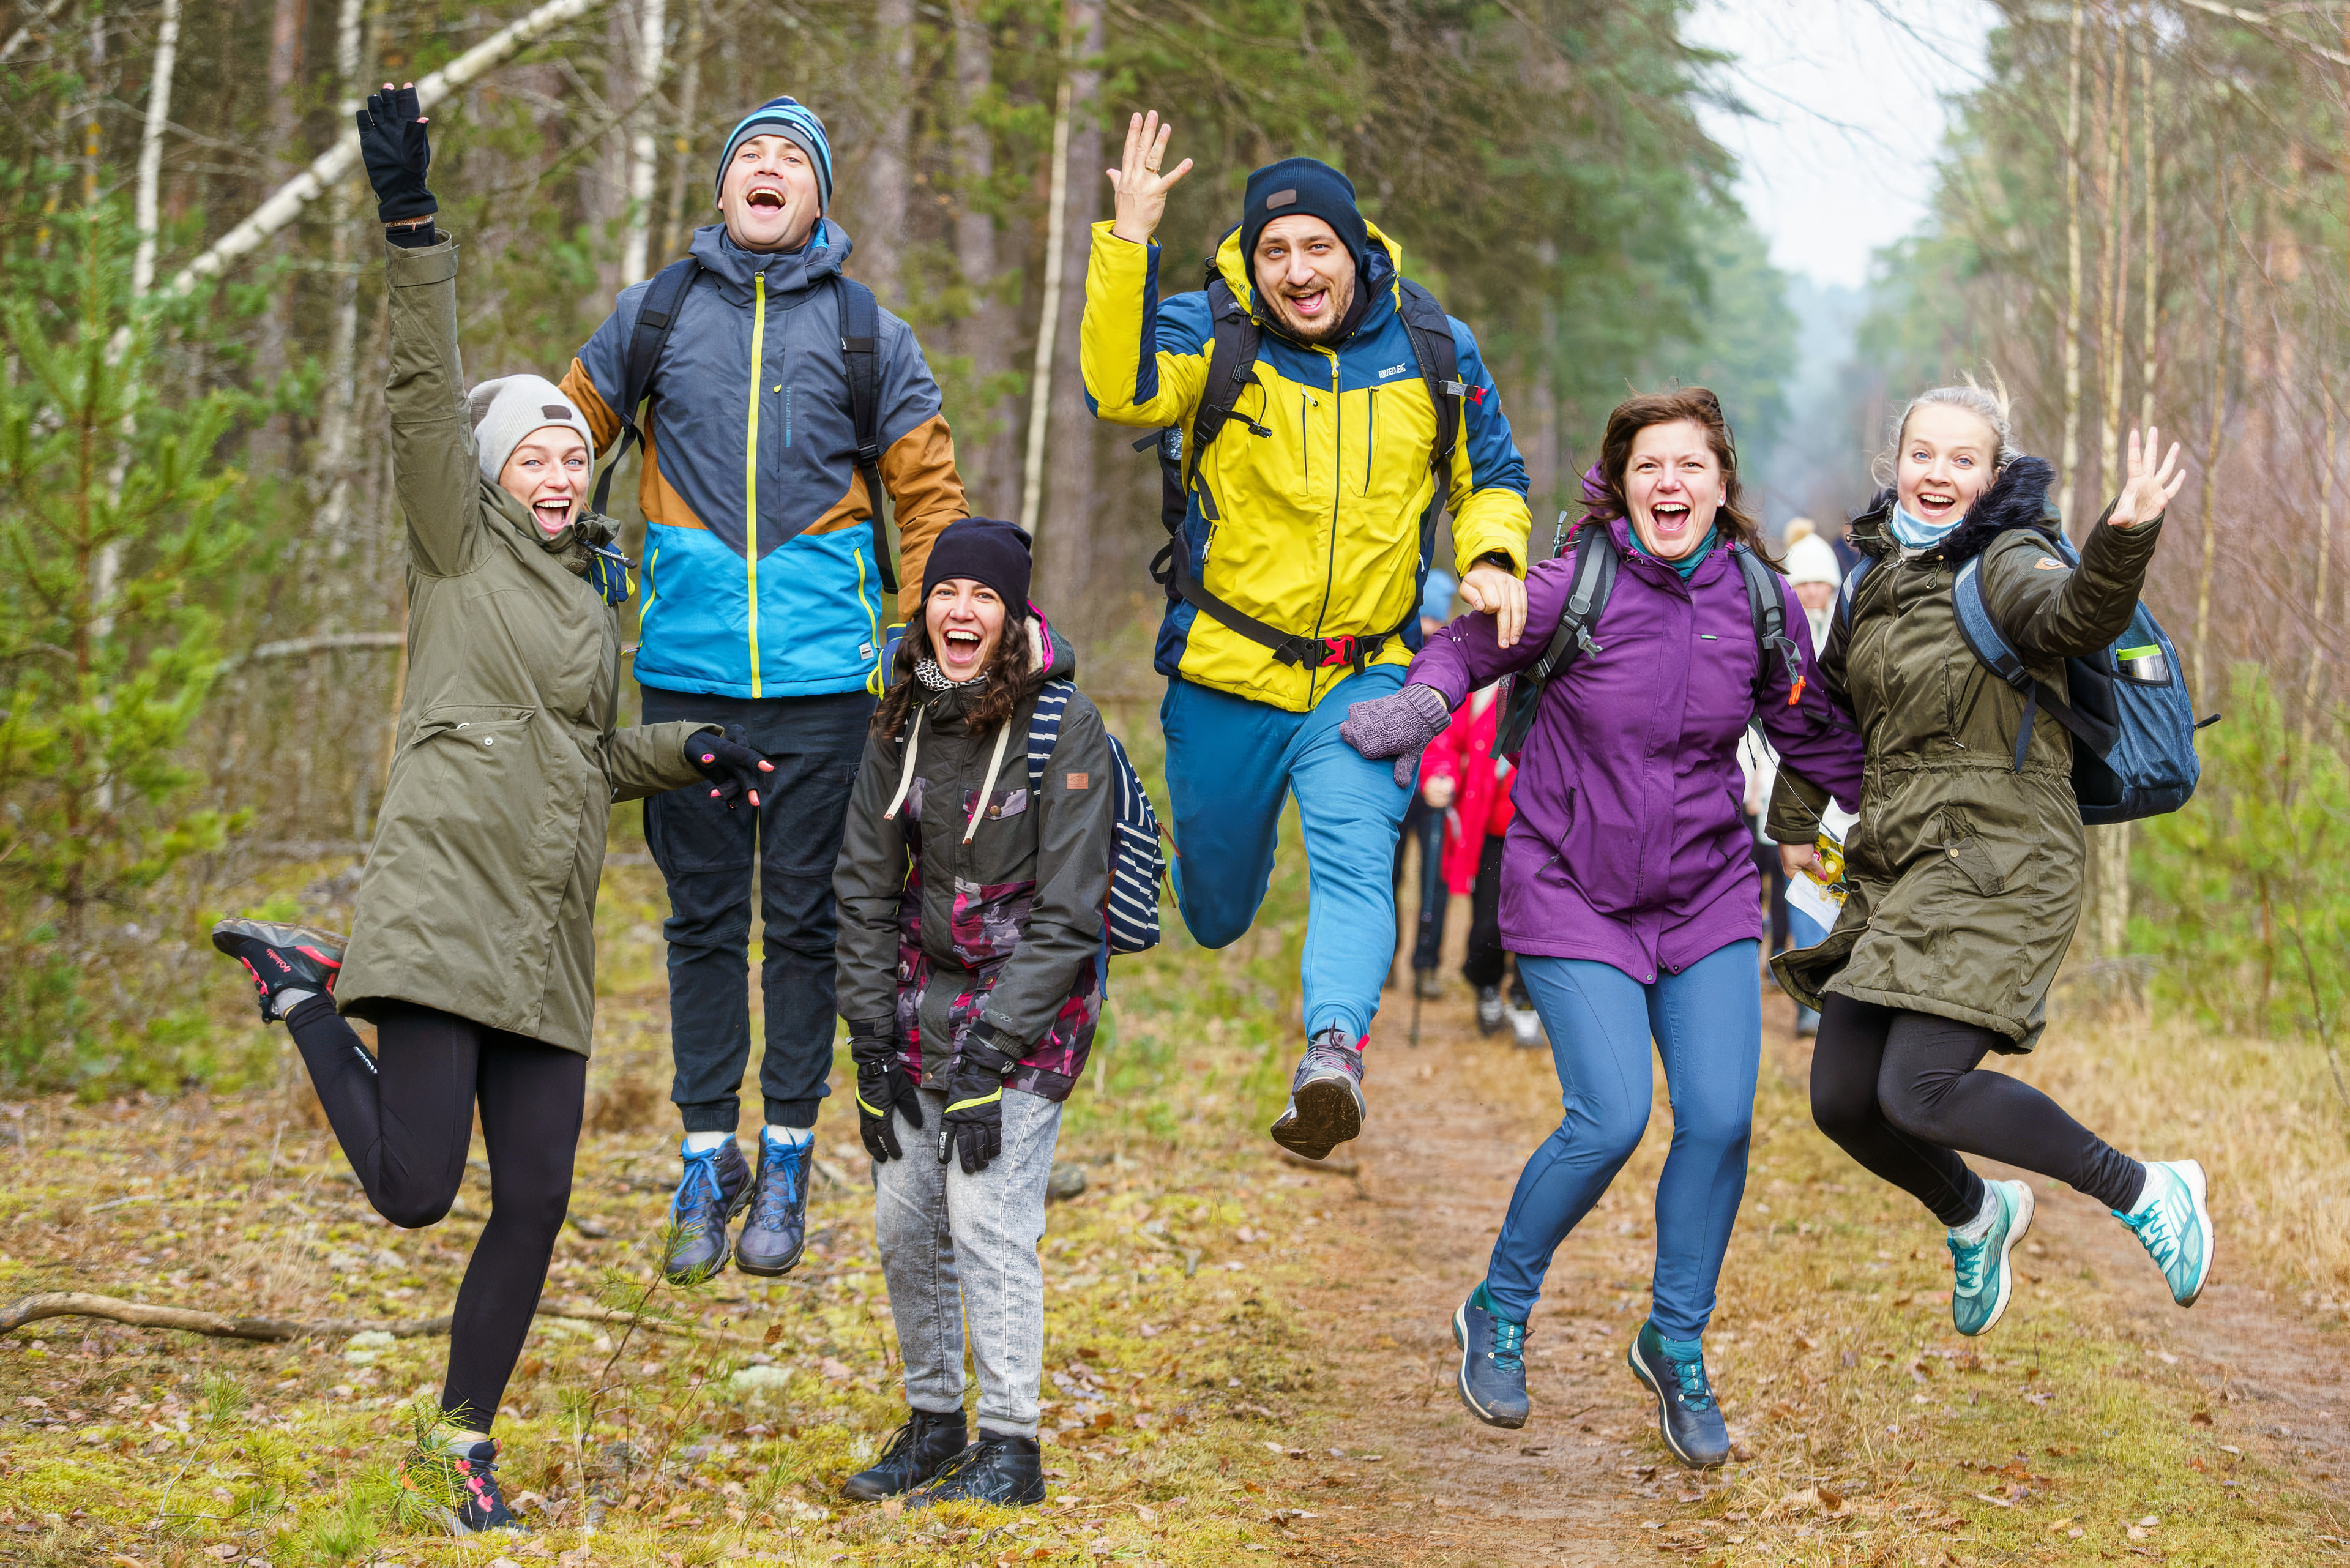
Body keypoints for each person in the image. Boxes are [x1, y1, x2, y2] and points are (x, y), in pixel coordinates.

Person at [209, 86, 771, 1535]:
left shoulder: (592, 599)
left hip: (546, 931)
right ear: (487, 470)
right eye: (534, 451)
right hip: (443, 899)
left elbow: (580, 758)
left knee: (531, 1203)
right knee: (411, 1192)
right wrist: (413, 228)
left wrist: (682, 755)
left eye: (571, 456)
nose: (558, 468)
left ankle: (464, 1438)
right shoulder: (454, 549)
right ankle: (302, 995)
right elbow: (417, 386)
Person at [1343, 388, 1865, 1466]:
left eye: (1690, 466)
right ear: (1622, 485)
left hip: (1708, 888)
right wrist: (1422, 706)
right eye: (1648, 467)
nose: (1669, 483)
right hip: (1572, 883)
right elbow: (1465, 646)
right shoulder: (1571, 583)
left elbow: (1808, 724)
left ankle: (1674, 1341)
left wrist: (1919, 799)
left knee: (1721, 1116)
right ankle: (1498, 1305)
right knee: (1612, 1115)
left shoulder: (1760, 600)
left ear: (1723, 485)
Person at [558, 96, 971, 1284]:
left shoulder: (864, 332)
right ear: (725, 188)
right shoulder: (657, 313)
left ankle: (786, 1153)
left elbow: (931, 496)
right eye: (752, 154)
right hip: (682, 680)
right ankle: (704, 1157)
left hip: (824, 689)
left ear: (820, 198)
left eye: (794, 158)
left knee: (800, 925)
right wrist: (529, 537)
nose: (771, 167)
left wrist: (930, 636)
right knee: (698, 926)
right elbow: (559, 438)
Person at [1080, 111, 1532, 1159]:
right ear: (1253, 261)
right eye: (1275, 251)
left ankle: (1333, 1051)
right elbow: (1119, 388)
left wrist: (1494, 556)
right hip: (1227, 675)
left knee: (1355, 860)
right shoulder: (1211, 331)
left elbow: (1492, 477)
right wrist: (1130, 243)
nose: (1296, 270)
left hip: (1365, 673)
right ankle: (1197, 870)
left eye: (1316, 247)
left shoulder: (1433, 346)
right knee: (1218, 910)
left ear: (1354, 248)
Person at [1774, 383, 2213, 1341]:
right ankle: (1978, 1215)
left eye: (1962, 459)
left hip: (2005, 854)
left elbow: (2073, 617)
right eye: (1923, 454)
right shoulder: (1870, 579)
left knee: (1917, 1088)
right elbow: (1827, 712)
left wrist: (2124, 533)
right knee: (1844, 1098)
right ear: (1896, 464)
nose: (1938, 474)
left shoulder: (2007, 558)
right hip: (1901, 856)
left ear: (1992, 476)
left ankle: (2146, 1190)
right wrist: (1796, 821)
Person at [829, 518, 1114, 1509]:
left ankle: (1011, 1444)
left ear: (1011, 613)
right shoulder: (901, 715)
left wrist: (994, 1053)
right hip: (920, 996)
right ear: (926, 608)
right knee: (905, 1217)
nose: (962, 610)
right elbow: (866, 886)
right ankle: (935, 1423)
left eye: (983, 596)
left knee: (987, 1214)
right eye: (947, 592)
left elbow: (1074, 911)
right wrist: (869, 1039)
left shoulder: (1062, 723)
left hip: (1033, 1003)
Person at [1745, 521, 1851, 1036]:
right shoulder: (1776, 635)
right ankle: (1812, 1005)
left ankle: (1842, 998)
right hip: (1790, 792)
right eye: (1803, 583)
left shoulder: (1847, 634)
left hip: (1844, 795)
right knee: (1806, 890)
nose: (1812, 592)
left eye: (1820, 584)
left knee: (1841, 896)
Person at [1416, 681, 1542, 1045]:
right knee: (1489, 923)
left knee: (1539, 920)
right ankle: (1486, 986)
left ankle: (1525, 1002)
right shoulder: (1486, 689)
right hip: (1489, 833)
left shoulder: (1562, 681)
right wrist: (1440, 774)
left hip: (1543, 829)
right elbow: (1446, 742)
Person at [1396, 571, 1458, 1001]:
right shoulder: (1393, 656)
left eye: (1437, 619)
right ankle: (1383, 957)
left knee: (1436, 879)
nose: (1431, 628)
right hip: (1393, 783)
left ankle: (1427, 964)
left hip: (1435, 786)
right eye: (1425, 618)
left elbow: (1457, 732)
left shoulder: (1455, 659)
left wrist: (1446, 776)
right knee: (1386, 875)